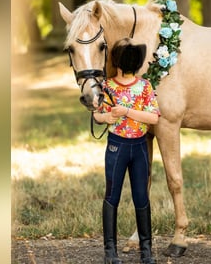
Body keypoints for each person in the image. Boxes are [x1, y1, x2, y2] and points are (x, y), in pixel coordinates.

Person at [93, 38, 160, 264]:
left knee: (141, 197)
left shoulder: (145, 86)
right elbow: (97, 116)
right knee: (112, 196)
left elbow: (153, 118)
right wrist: (106, 116)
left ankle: (146, 250)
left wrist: (126, 111)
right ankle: (110, 252)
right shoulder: (108, 87)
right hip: (117, 146)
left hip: (139, 146)